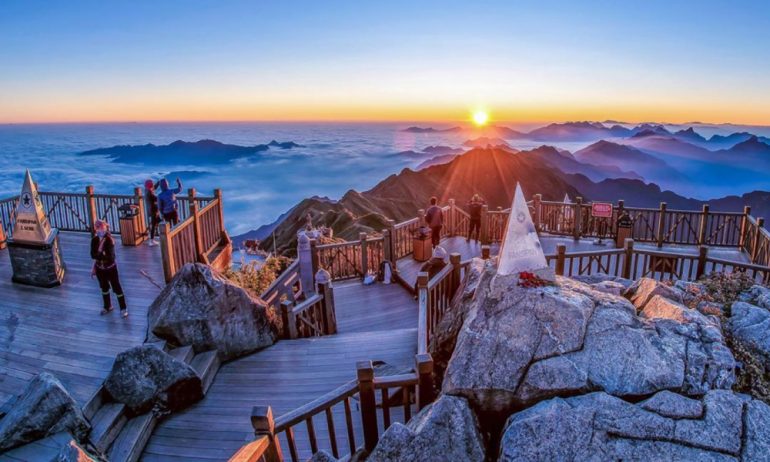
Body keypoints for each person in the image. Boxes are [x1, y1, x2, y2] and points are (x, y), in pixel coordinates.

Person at [91, 220, 128, 318]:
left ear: (106, 228)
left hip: (110, 268)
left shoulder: (109, 240)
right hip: (100, 268)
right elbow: (92, 255)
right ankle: (107, 306)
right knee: (104, 287)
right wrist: (101, 255)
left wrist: (99, 255)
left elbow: (111, 257)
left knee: (116, 287)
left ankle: (123, 308)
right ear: (96, 229)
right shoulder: (94, 240)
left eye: (102, 228)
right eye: (98, 228)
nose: (101, 230)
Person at [144, 179, 160, 246]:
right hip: (153, 211)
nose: (153, 184)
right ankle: (151, 240)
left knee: (159, 222)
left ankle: (153, 237)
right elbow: (157, 198)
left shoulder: (147, 190)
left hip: (153, 211)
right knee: (154, 225)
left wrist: (158, 183)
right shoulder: (149, 193)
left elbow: (154, 187)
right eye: (152, 184)